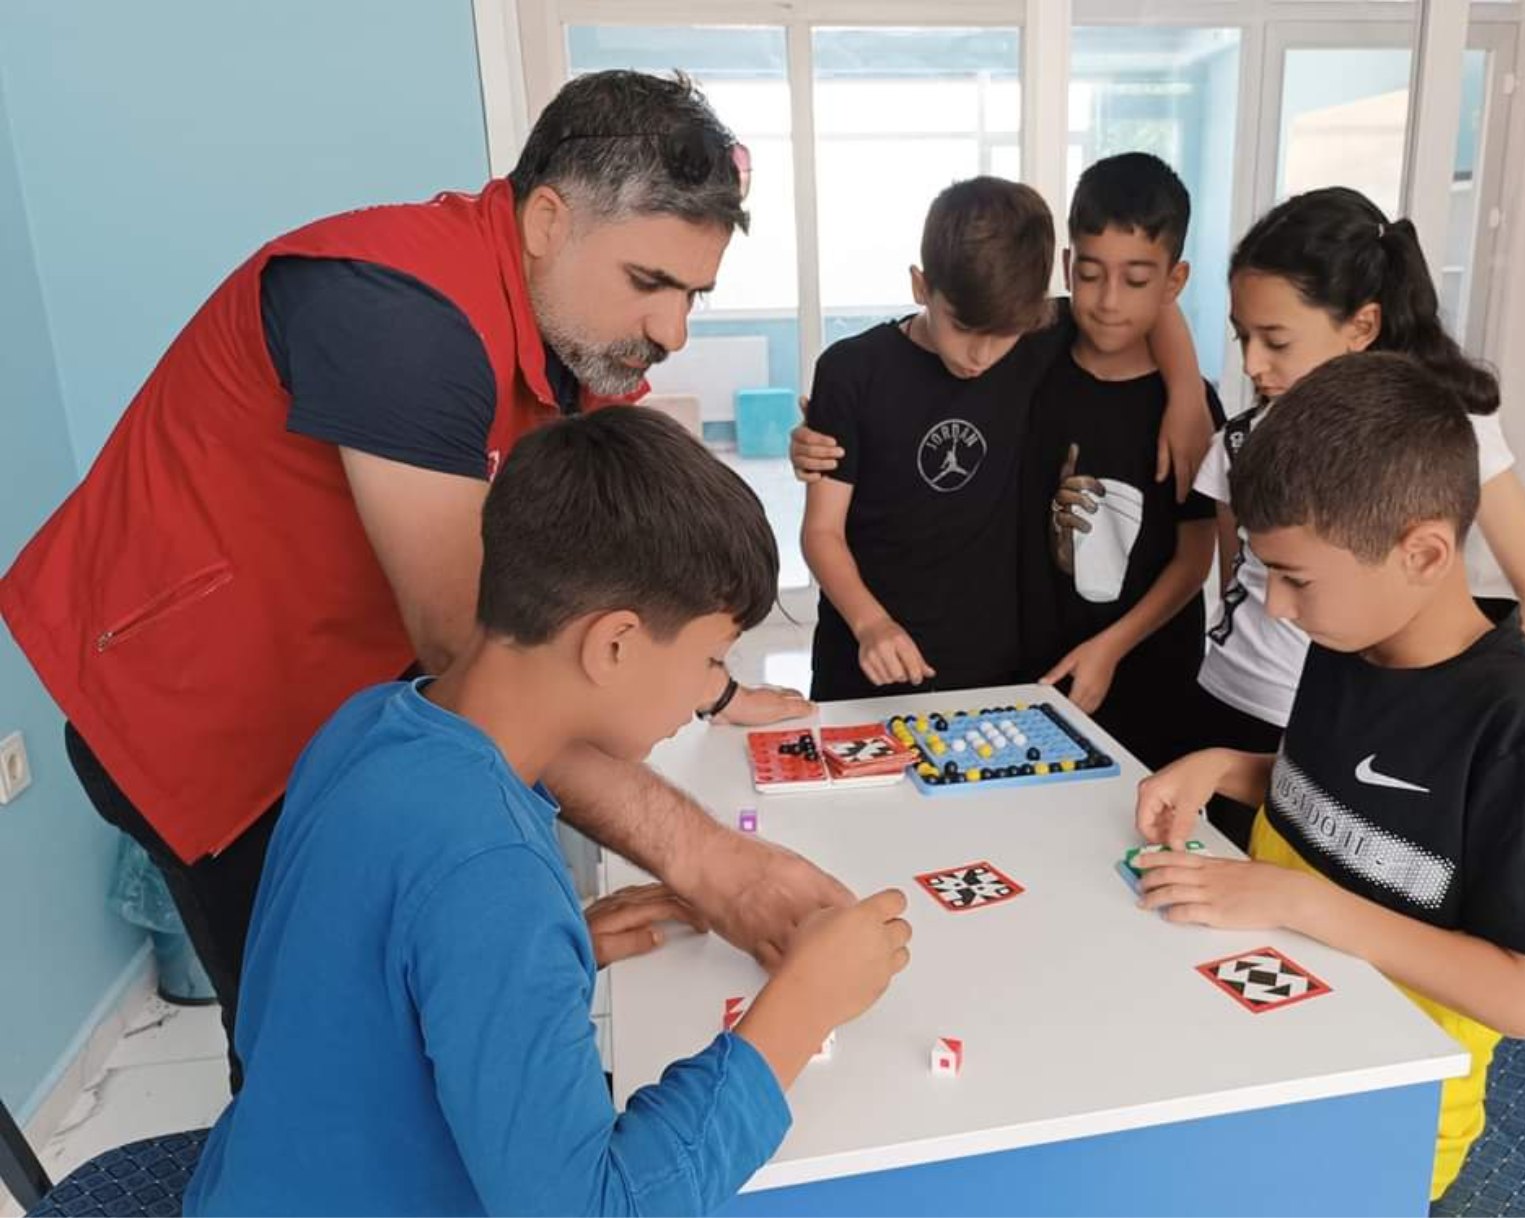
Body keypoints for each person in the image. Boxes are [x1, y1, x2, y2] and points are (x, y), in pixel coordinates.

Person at [0, 70, 839, 1089]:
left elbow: (604, 569)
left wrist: (706, 682)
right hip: (197, 710)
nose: (673, 332)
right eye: (649, 283)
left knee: (417, 994)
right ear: (547, 220)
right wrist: (708, 859)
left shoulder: (569, 339)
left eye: (692, 296)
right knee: (319, 1055)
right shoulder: (397, 313)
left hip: (348, 695)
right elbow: (485, 657)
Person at [184, 407, 913, 1218]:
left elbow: (345, 979)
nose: (709, 690)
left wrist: (538, 962)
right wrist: (804, 1002)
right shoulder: (494, 874)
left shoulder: (367, 723)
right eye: (711, 658)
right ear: (614, 644)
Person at [1133, 352, 1525, 1203]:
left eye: (1295, 579)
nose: (1277, 608)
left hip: (1387, 1112)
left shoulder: (1524, 725)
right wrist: (1226, 769)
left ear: (1423, 553)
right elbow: (1341, 807)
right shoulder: (1350, 635)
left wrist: (1296, 902)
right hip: (1270, 1013)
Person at [1190, 186, 1525, 846]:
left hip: (1337, 724)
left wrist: (1457, 726)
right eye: (1242, 337)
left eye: (1276, 341)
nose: (1251, 363)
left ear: (1362, 326)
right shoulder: (1250, 434)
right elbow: (1245, 578)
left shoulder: (1444, 428)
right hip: (1229, 698)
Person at [796, 176, 1212, 701]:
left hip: (989, 673)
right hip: (862, 662)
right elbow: (821, 532)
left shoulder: (1033, 335)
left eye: (1002, 335)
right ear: (921, 286)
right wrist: (870, 623)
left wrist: (1188, 396)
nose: (980, 355)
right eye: (962, 328)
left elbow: (1147, 302)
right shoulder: (851, 370)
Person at [1021, 153, 1222, 768]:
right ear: (1066, 267)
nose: (1109, 301)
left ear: (1174, 282)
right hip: (1033, 664)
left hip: (1151, 673)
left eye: (1136, 281)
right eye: (1090, 274)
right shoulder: (1034, 355)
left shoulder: (1190, 408)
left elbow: (1195, 559)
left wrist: (1111, 646)